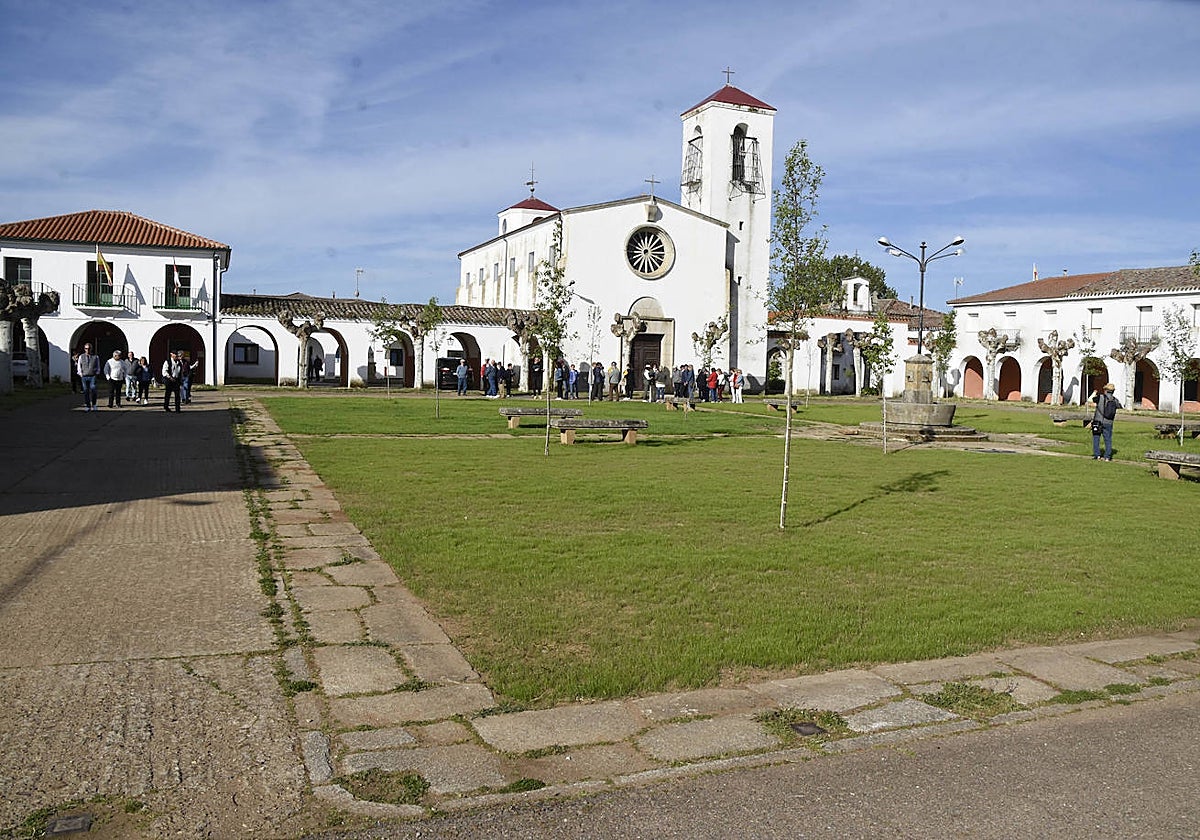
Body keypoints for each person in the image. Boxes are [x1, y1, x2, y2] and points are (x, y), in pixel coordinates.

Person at [1089, 382, 1121, 461]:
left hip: (1098, 421)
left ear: (1105, 390)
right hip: (1109, 422)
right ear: (1113, 391)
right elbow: (1119, 406)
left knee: (1096, 438)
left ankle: (1097, 455)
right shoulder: (1115, 400)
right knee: (1108, 439)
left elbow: (1090, 400)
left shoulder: (1100, 397)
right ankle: (1107, 456)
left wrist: (1094, 393)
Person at [77, 343, 99, 411]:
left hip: (92, 375)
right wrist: (80, 373)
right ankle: (88, 406)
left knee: (93, 389)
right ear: (84, 349)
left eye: (89, 348)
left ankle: (94, 404)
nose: (87, 350)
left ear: (91, 349)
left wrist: (97, 372)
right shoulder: (81, 356)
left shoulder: (95, 356)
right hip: (84, 376)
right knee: (86, 391)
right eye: (86, 348)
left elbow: (98, 365)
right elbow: (79, 365)